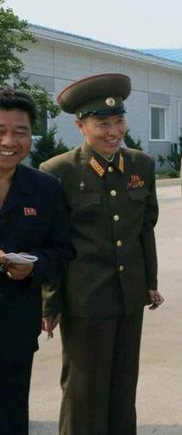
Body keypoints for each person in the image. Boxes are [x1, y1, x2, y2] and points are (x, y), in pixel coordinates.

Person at [39, 73, 163, 434]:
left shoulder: (141, 165)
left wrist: (149, 282)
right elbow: (53, 242)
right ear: (81, 126)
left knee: (123, 385)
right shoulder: (58, 171)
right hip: (85, 299)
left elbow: (145, 229)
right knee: (84, 389)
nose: (114, 132)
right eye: (102, 124)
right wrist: (50, 302)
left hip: (129, 296)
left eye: (119, 121)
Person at [0, 87, 74, 435]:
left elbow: (63, 250)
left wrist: (35, 266)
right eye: (1, 131)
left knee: (11, 413)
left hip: (15, 322)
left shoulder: (46, 188)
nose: (9, 141)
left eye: (21, 131)